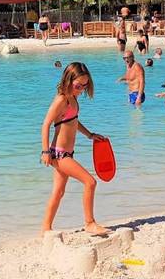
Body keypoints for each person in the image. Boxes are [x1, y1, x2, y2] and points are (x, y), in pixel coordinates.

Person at [39, 62, 108, 236]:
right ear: (68, 80)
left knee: (59, 192)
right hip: (58, 154)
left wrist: (90, 135)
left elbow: (73, 122)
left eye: (85, 85)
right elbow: (45, 124)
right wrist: (45, 151)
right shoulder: (61, 99)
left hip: (67, 153)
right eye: (78, 85)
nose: (82, 89)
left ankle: (45, 229)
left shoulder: (74, 99)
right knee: (90, 182)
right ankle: (90, 223)